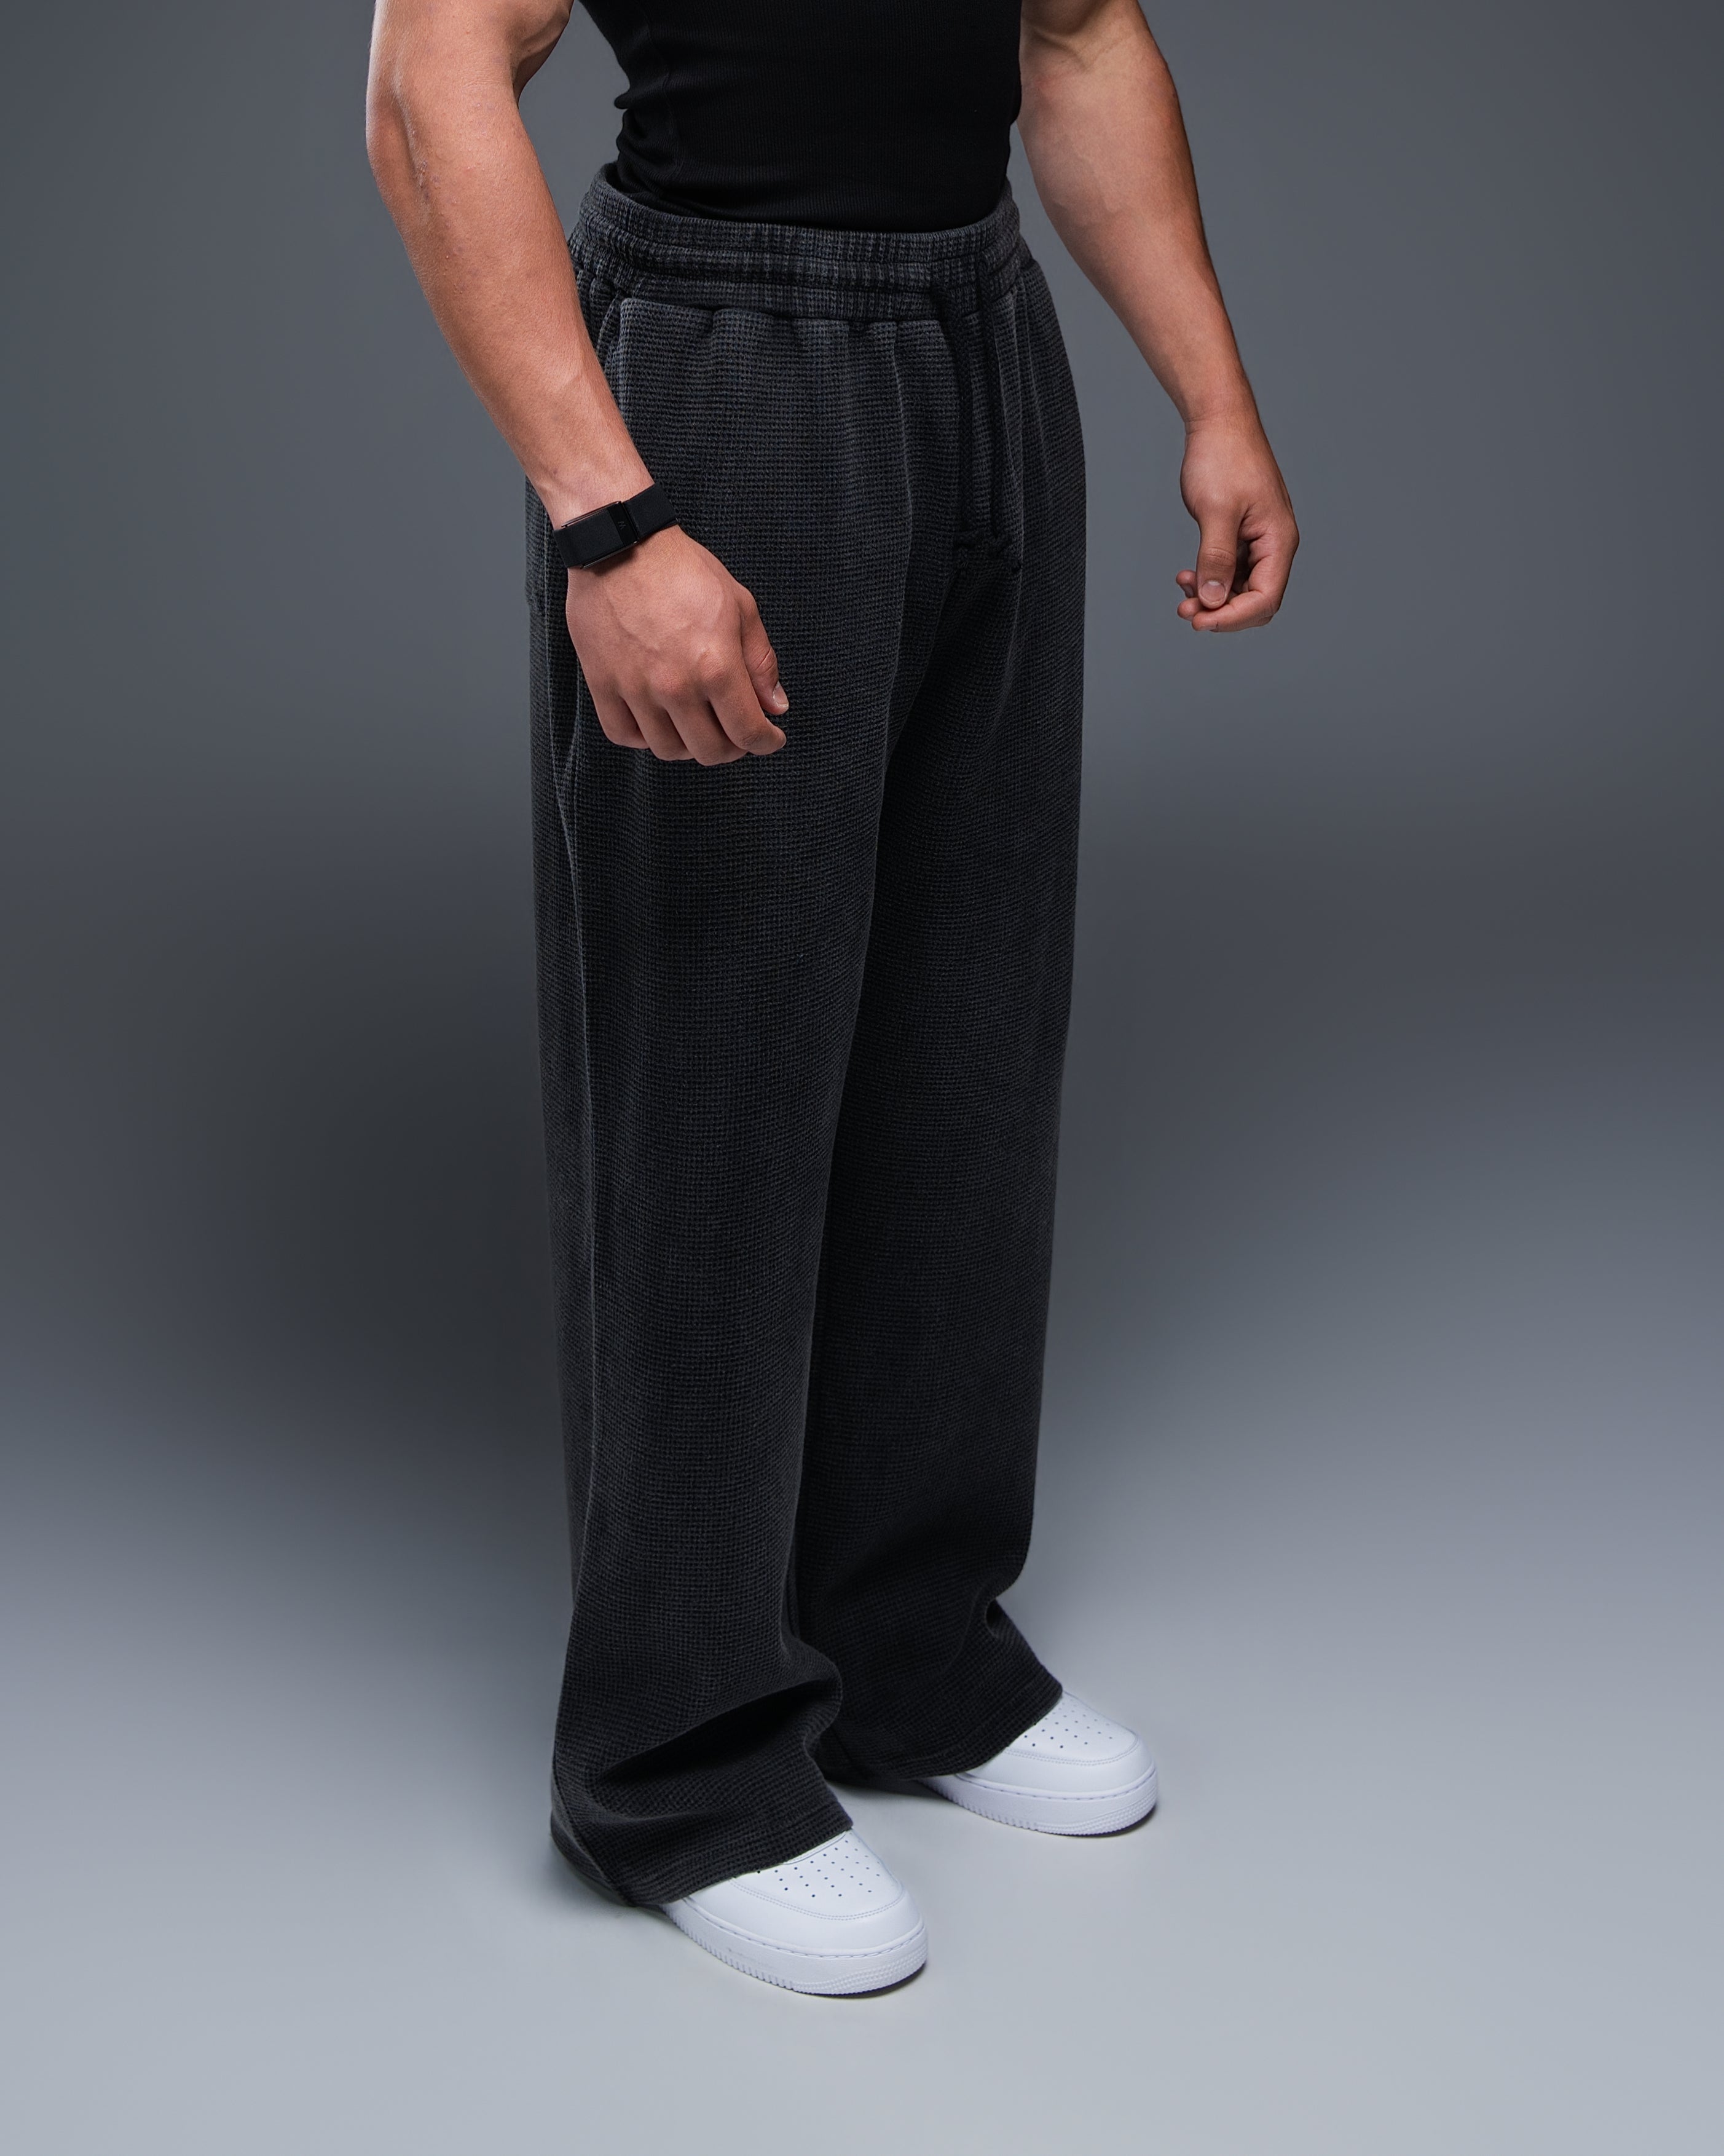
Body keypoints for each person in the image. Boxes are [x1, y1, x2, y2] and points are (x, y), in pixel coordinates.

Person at [366, 0, 1297, 1994]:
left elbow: (1079, 33)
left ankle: (907, 1641)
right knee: (716, 1066)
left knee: (971, 1037)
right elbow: (426, 85)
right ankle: (679, 1757)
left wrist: (1211, 395)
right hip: (730, 360)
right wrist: (609, 522)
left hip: (981, 333)